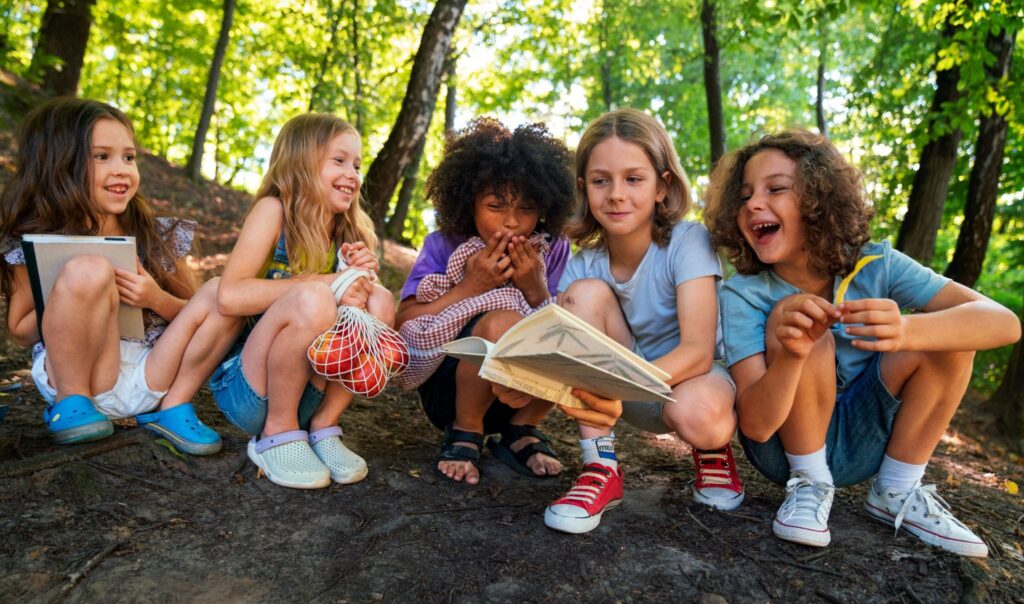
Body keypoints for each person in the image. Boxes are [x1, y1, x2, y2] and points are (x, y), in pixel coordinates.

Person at [704, 129, 1021, 556]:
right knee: (797, 318)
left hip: (865, 438)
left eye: (775, 188)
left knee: (949, 331)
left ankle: (896, 492)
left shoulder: (877, 263)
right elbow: (757, 426)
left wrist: (909, 331)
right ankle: (810, 484)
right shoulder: (743, 293)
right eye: (744, 196)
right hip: (782, 450)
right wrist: (793, 355)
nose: (753, 204)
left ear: (819, 200)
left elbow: (1004, 323)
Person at [0, 97, 239, 453]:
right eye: (102, 157)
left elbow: (194, 313)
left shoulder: (151, 234)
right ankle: (70, 403)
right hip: (81, 371)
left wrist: (153, 298)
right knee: (89, 269)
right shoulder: (35, 237)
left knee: (224, 294)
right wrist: (71, 291)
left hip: (153, 374)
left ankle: (174, 407)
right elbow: (20, 331)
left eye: (129, 157)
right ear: (59, 165)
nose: (122, 169)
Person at [544, 108, 742, 535]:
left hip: (695, 381)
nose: (616, 194)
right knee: (585, 296)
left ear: (661, 185)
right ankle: (600, 468)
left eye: (633, 179)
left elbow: (698, 351)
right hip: (625, 390)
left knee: (698, 415)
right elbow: (574, 360)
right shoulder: (584, 266)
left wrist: (613, 385)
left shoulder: (688, 242)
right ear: (584, 188)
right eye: (601, 180)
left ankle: (712, 453)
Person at [212, 113, 394, 490]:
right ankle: (274, 434)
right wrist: (331, 282)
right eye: (339, 161)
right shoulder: (273, 212)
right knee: (312, 296)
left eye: (357, 165)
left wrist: (357, 282)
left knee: (381, 300)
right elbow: (230, 296)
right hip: (252, 389)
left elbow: (356, 314)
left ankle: (324, 424)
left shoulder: (349, 231)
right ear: (301, 161)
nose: (353, 174)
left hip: (310, 394)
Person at [395, 119, 575, 485]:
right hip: (450, 390)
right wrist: (470, 287)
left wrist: (536, 290)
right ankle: (467, 429)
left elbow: (565, 325)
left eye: (526, 209)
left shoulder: (554, 249)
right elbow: (404, 321)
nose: (511, 223)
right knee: (500, 322)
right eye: (495, 206)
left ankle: (522, 430)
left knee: (571, 328)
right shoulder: (443, 244)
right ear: (469, 203)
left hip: (525, 394)